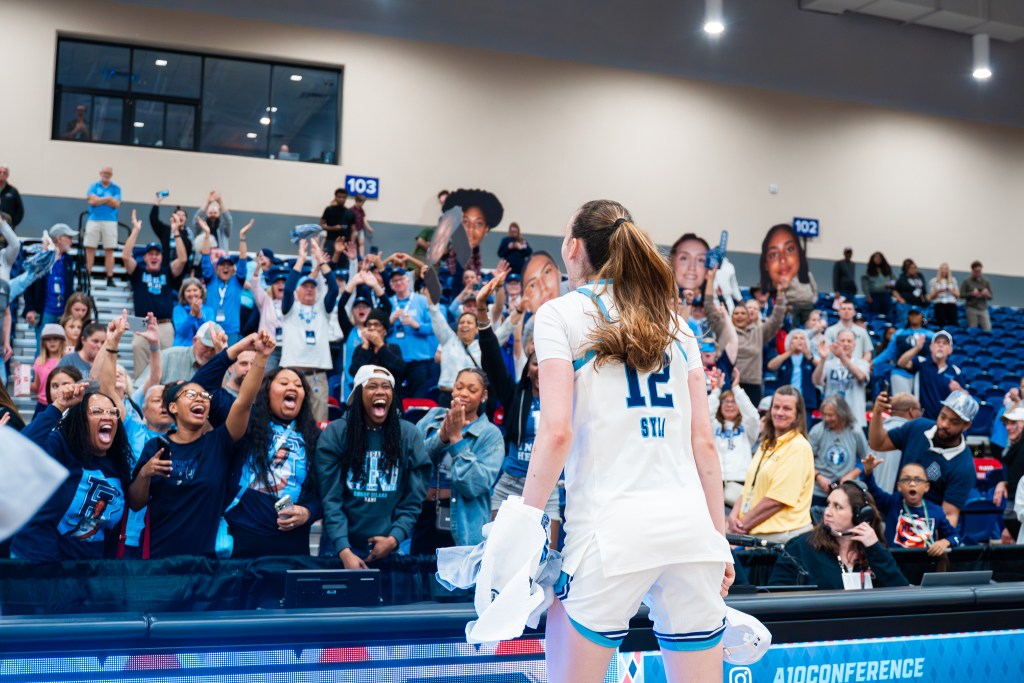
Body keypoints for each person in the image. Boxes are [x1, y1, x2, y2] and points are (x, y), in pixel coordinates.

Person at [518, 200, 733, 681]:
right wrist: (718, 539)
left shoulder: (559, 315)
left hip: (609, 535)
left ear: (574, 248)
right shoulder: (679, 326)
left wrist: (521, 527)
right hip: (692, 534)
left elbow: (556, 433)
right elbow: (705, 443)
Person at [129, 331, 275, 558]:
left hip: (205, 566)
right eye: (190, 395)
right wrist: (145, 474)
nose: (200, 399)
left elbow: (243, 403)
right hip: (158, 561)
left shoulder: (220, 443)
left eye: (205, 397)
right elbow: (136, 503)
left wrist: (261, 357)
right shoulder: (156, 446)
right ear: (173, 408)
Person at [316, 365, 431, 568]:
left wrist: (394, 538)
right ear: (358, 394)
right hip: (338, 547)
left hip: (392, 547)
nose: (380, 391)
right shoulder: (336, 433)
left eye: (386, 387)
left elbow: (413, 500)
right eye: (372, 386)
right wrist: (344, 550)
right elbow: (330, 499)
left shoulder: (409, 435)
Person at [12, 384, 131, 561]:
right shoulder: (62, 447)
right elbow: (21, 449)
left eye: (113, 412)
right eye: (97, 411)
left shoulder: (118, 462)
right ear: (81, 420)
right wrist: (58, 407)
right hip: (40, 565)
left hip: (89, 570)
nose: (107, 416)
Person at [220, 366, 323, 557]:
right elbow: (214, 395)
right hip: (242, 537)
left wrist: (308, 512)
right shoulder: (247, 423)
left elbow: (328, 492)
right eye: (283, 383)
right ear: (266, 392)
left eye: (298, 385)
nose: (292, 387)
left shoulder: (317, 437)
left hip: (290, 544)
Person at [416, 368, 504, 548]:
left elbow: (475, 484)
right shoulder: (433, 417)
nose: (463, 393)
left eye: (472, 390)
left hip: (464, 519)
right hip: (424, 516)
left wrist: (456, 439)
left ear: (483, 395)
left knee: (458, 574)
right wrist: (442, 436)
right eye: (459, 387)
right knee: (419, 573)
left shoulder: (490, 434)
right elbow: (414, 460)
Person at [768, 481, 908, 589]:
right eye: (828, 504)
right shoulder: (800, 547)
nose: (827, 512)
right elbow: (776, 594)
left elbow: (901, 591)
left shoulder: (875, 550)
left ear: (861, 515)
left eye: (837, 507)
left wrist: (875, 549)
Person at [868, 390, 977, 528]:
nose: (944, 424)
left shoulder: (964, 466)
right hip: (895, 519)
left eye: (954, 422)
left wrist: (938, 542)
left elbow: (949, 515)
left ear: (966, 425)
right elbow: (878, 443)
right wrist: (877, 412)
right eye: (943, 416)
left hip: (925, 531)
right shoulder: (918, 427)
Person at [729, 385, 815, 543]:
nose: (779, 413)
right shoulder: (767, 443)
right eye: (776, 407)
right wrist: (733, 516)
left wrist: (742, 525)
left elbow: (776, 500)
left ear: (798, 414)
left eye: (787, 408)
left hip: (781, 539)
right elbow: (750, 487)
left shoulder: (798, 447)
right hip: (755, 534)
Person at [123, 209, 188, 377]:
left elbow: (182, 259)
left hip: (164, 324)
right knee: (139, 357)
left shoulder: (166, 273)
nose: (154, 257)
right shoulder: (138, 273)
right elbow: (125, 256)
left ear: (161, 257)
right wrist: (136, 230)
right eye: (150, 254)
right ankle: (139, 395)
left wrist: (175, 232)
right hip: (141, 322)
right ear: (144, 257)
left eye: (157, 254)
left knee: (167, 365)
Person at [280, 239, 338, 422]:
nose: (309, 289)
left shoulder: (323, 308)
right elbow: (288, 289)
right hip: (292, 374)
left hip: (317, 376)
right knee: (289, 420)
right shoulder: (290, 309)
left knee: (318, 422)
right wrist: (302, 258)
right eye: (305, 286)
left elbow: (334, 288)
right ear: (298, 291)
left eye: (312, 286)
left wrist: (320, 259)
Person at [861, 457, 960, 554]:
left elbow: (955, 536)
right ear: (899, 486)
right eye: (906, 479)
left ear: (926, 487)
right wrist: (868, 472)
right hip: (896, 565)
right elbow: (872, 491)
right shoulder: (891, 503)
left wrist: (945, 542)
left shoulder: (936, 510)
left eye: (918, 480)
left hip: (925, 565)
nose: (912, 484)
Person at [24, 224, 80, 352]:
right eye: (69, 237)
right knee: (42, 351)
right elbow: (28, 285)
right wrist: (30, 308)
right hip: (45, 311)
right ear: (59, 238)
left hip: (64, 312)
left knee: (63, 350)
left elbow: (69, 287)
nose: (72, 241)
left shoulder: (68, 260)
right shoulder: (41, 257)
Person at [708, 371, 760, 509]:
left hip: (741, 481)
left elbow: (753, 416)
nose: (729, 405)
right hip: (716, 481)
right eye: (725, 401)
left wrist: (736, 388)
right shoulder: (713, 426)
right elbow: (704, 415)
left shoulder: (747, 428)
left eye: (733, 402)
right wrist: (717, 390)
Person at [807, 395, 868, 507]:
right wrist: (818, 476)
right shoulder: (818, 430)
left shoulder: (855, 431)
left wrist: (852, 474)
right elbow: (805, 460)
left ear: (842, 414)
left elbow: (867, 459)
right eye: (824, 415)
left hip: (845, 492)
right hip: (819, 492)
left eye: (830, 415)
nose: (826, 418)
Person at [197, 217, 250, 343]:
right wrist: (207, 235)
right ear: (216, 269)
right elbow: (205, 258)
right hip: (211, 330)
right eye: (222, 265)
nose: (226, 267)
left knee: (230, 363)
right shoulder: (211, 280)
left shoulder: (237, 282)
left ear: (233, 269)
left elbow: (243, 260)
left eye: (229, 265)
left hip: (231, 332)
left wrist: (242, 237)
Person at [386, 268, 434, 400]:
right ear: (390, 285)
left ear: (408, 281)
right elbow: (379, 330)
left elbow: (434, 327)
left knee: (418, 399)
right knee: (395, 400)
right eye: (394, 280)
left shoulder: (422, 301)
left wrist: (416, 325)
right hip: (394, 360)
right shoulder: (388, 303)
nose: (398, 282)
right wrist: (391, 321)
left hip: (418, 360)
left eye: (401, 279)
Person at [732, 288, 787, 405]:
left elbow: (776, 320)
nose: (751, 311)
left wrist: (780, 296)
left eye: (754, 308)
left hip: (753, 384)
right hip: (731, 381)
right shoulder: (729, 331)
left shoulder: (759, 331)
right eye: (748, 308)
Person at [897, 329, 962, 420]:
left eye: (945, 343)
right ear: (931, 347)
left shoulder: (955, 371)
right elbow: (901, 362)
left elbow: (966, 395)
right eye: (937, 342)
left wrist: (959, 389)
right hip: (922, 419)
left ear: (950, 350)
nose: (940, 345)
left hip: (944, 421)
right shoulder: (921, 363)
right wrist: (917, 348)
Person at [759, 223, 817, 325]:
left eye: (790, 249)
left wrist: (813, 299)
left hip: (808, 304)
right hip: (792, 305)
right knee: (790, 326)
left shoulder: (807, 274)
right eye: (774, 254)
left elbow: (814, 289)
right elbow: (781, 293)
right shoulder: (783, 276)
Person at [137, 320, 225, 385]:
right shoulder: (169, 356)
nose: (209, 352)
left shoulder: (221, 368)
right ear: (195, 341)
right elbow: (139, 387)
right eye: (206, 346)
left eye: (214, 349)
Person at [867, 392, 923, 494]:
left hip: (873, 497)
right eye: (920, 410)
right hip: (895, 502)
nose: (921, 414)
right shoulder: (912, 435)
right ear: (912, 411)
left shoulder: (875, 432)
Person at [813, 329, 870, 428]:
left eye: (849, 341)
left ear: (854, 344)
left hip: (855, 419)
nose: (845, 344)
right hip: (831, 419)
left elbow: (860, 376)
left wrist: (842, 356)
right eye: (842, 341)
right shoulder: (828, 364)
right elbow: (816, 381)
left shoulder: (862, 363)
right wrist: (822, 359)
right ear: (837, 343)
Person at [442, 189, 504, 277]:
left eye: (478, 224)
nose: (470, 230)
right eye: (465, 222)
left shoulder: (476, 257)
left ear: (486, 229)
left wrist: (494, 278)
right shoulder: (450, 265)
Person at [873, 307, 932, 396]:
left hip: (923, 373)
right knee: (901, 403)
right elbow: (889, 352)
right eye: (911, 314)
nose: (914, 317)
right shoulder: (900, 333)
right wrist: (873, 363)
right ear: (908, 317)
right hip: (901, 372)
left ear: (922, 316)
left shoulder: (931, 335)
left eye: (917, 314)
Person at [84, 166, 121, 286]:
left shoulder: (116, 188)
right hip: (94, 220)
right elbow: (91, 201)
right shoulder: (93, 186)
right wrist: (108, 199)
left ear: (111, 175)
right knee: (90, 249)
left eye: (108, 173)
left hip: (110, 221)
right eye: (104, 172)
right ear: (100, 173)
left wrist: (99, 199)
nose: (106, 175)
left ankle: (109, 277)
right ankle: (87, 275)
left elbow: (116, 203)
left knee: (109, 250)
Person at [767, 329, 819, 415]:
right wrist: (789, 352)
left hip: (806, 403)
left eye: (802, 338)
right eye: (795, 338)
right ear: (790, 341)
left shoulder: (811, 358)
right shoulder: (784, 358)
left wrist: (809, 356)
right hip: (785, 400)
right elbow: (771, 366)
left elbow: (823, 367)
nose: (799, 340)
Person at [31, 324, 67, 416]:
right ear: (43, 342)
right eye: (48, 339)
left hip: (63, 404)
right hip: (42, 405)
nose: (52, 342)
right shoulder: (39, 361)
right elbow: (36, 386)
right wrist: (21, 381)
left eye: (56, 338)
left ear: (62, 341)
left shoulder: (67, 360)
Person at [172, 278, 216, 347]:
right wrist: (192, 314)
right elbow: (181, 332)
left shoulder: (209, 310)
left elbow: (208, 333)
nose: (192, 294)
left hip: (203, 349)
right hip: (182, 347)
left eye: (195, 290)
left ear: (201, 292)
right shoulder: (178, 309)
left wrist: (199, 315)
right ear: (183, 293)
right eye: (188, 291)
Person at [320, 188, 355, 256]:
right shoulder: (329, 210)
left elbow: (353, 230)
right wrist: (333, 228)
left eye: (343, 197)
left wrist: (352, 244)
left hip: (345, 243)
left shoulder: (350, 213)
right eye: (339, 197)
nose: (341, 199)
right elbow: (320, 225)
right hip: (331, 241)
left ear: (346, 198)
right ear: (335, 197)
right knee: (328, 263)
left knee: (343, 265)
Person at [960, 260, 993, 331]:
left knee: (988, 329)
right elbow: (961, 295)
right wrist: (971, 294)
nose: (978, 273)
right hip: (971, 308)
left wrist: (987, 294)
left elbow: (991, 297)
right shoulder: (967, 281)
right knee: (973, 329)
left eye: (979, 271)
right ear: (972, 271)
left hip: (983, 308)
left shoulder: (986, 281)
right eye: (976, 272)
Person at [861, 251, 894, 318]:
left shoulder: (887, 269)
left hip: (886, 295)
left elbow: (893, 280)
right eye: (875, 258)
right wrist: (868, 296)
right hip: (874, 296)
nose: (877, 259)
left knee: (887, 314)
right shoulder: (868, 271)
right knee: (875, 314)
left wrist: (890, 284)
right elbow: (865, 285)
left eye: (879, 258)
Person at [927, 263, 959, 329]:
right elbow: (930, 297)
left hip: (951, 303)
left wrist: (951, 290)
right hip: (939, 303)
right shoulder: (933, 281)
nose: (944, 271)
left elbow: (958, 295)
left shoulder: (953, 280)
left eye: (946, 269)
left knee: (953, 320)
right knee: (941, 320)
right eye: (942, 269)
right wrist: (937, 291)